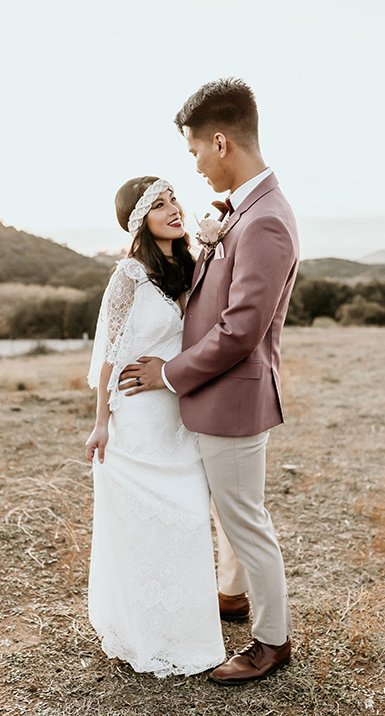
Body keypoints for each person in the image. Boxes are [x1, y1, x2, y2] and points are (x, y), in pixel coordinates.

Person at [119, 78, 300, 685]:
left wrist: (168, 373)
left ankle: (272, 642)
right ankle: (232, 596)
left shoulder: (266, 220)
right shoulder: (243, 212)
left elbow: (239, 331)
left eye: (196, 151)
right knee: (231, 511)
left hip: (234, 398)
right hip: (219, 398)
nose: (195, 165)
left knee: (245, 518)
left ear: (220, 142)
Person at [85, 176, 225, 678]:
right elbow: (106, 355)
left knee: (188, 519)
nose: (173, 209)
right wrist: (100, 423)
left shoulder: (189, 267)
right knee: (143, 528)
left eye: (173, 200)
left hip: (176, 411)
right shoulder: (129, 274)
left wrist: (216, 241)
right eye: (158, 205)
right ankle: (145, 630)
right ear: (137, 219)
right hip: (136, 418)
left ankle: (186, 629)